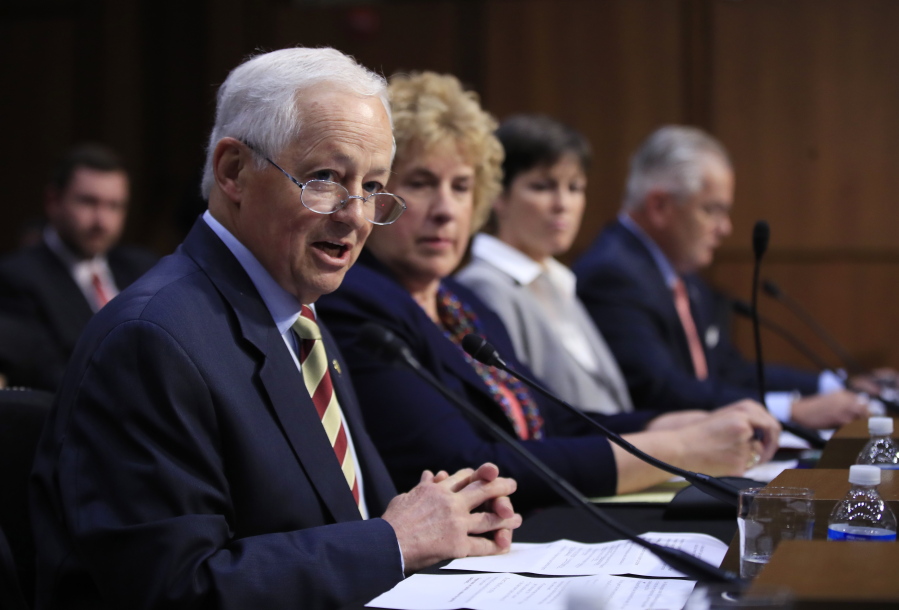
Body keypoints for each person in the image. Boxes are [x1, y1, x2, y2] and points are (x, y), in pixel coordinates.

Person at [29, 48, 521, 610]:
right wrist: (395, 540)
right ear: (234, 171)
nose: (357, 215)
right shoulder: (151, 340)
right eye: (326, 179)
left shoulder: (300, 317)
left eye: (372, 186)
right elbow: (175, 591)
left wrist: (447, 521)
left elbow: (344, 520)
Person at [317, 72, 780, 513]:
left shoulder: (460, 303)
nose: (445, 210)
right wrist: (679, 449)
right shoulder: (358, 300)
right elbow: (464, 462)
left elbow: (551, 421)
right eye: (420, 183)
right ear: (374, 194)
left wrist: (674, 423)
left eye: (461, 187)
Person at [573, 125, 870, 430]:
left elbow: (727, 370)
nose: (725, 228)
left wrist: (830, 384)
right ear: (660, 206)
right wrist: (791, 410)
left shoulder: (675, 271)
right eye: (711, 210)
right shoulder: (613, 274)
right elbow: (661, 390)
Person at [457, 114, 632, 414]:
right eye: (542, 186)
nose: (563, 204)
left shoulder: (557, 278)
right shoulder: (485, 286)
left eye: (574, 187)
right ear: (497, 195)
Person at [0, 144, 157, 391]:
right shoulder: (18, 279)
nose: (102, 221)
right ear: (53, 200)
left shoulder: (142, 268)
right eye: (88, 202)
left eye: (114, 206)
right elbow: (48, 374)